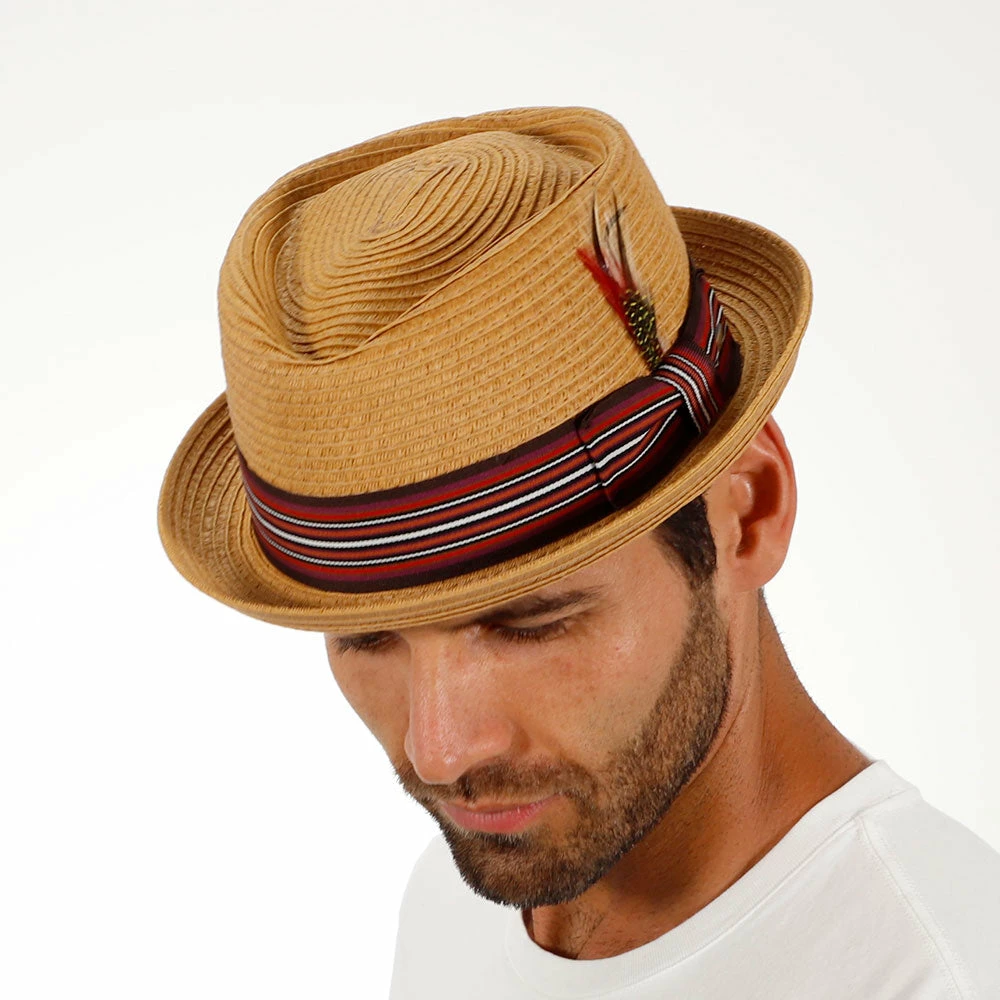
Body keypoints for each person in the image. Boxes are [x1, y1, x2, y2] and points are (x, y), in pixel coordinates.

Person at [158, 107, 1000, 998]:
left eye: (530, 620)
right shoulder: (454, 903)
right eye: (368, 638)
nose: (442, 753)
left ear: (748, 513)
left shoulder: (936, 974)